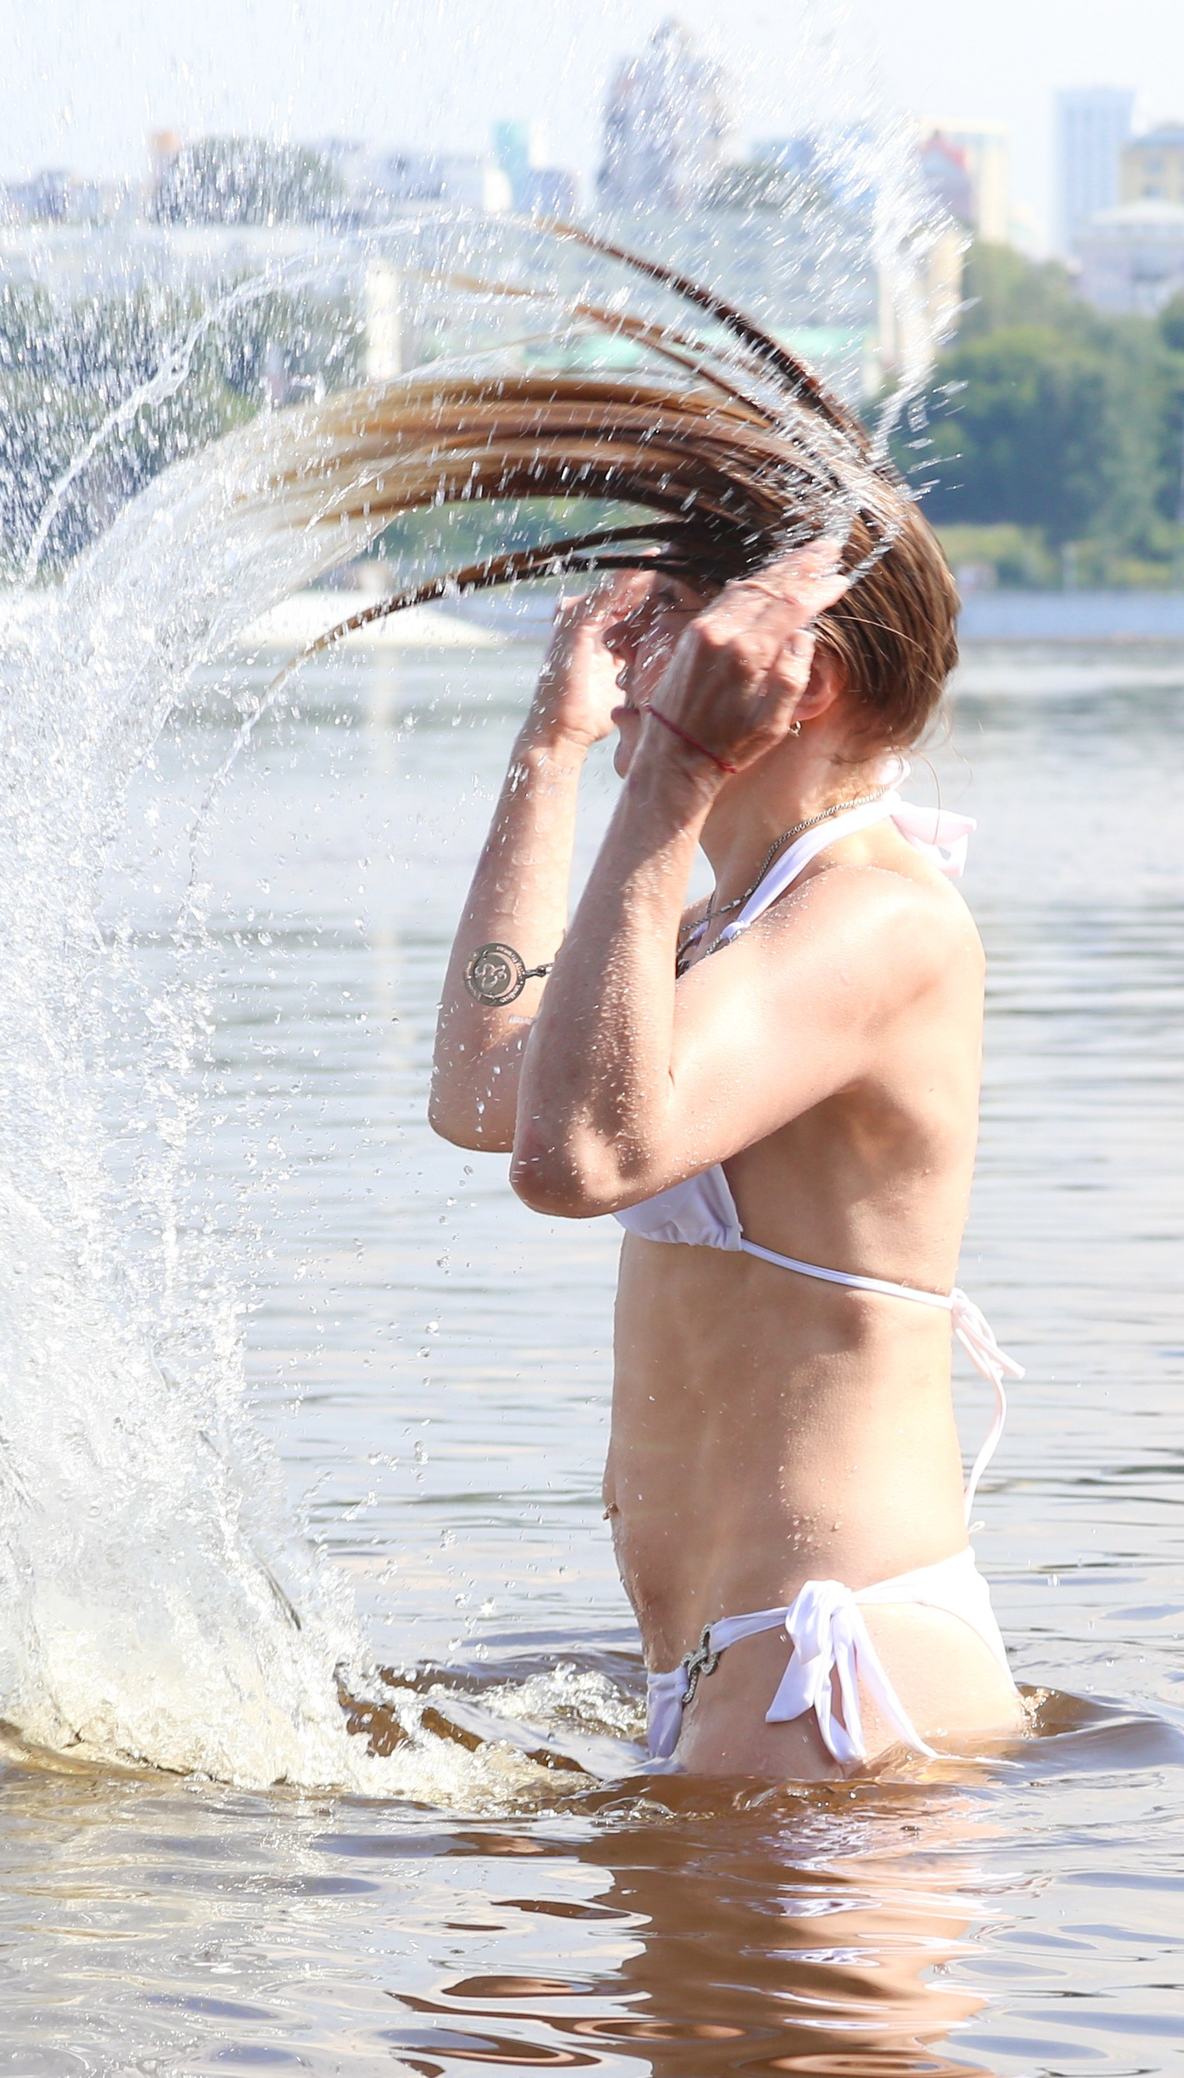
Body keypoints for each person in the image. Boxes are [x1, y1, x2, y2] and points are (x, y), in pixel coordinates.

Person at [425, 541, 1025, 1777]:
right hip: (717, 1666)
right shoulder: (723, 928)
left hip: (829, 1660)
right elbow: (483, 1091)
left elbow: (573, 1160)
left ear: (797, 682)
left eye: (678, 628)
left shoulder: (880, 919)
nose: (639, 652)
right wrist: (551, 756)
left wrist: (671, 780)